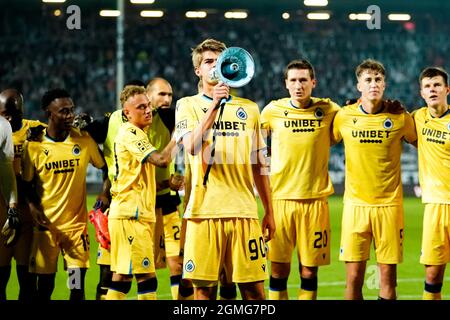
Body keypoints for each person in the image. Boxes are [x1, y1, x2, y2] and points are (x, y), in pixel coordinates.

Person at [175, 38, 275, 300]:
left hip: (244, 212)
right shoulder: (187, 105)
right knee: (204, 293)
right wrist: (213, 107)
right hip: (203, 213)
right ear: (198, 70)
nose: (215, 67)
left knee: (254, 292)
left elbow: (259, 165)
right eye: (208, 62)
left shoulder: (250, 109)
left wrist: (270, 211)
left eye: (220, 62)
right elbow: (192, 147)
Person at [332, 59, 417, 300]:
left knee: (388, 281)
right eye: (368, 80)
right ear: (358, 85)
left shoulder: (400, 117)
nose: (373, 84)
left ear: (385, 84)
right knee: (353, 280)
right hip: (355, 207)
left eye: (378, 80)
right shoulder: (344, 116)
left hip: (389, 207)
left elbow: (424, 144)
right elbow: (320, 139)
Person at [261, 60, 340, 300]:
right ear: (286, 84)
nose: (298, 85)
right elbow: (253, 144)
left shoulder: (328, 109)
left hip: (315, 201)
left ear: (313, 83)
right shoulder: (272, 110)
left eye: (303, 80)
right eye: (293, 80)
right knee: (278, 269)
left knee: (308, 270)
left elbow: (353, 118)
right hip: (280, 201)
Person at [22, 88, 107, 300]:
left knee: (76, 288)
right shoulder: (33, 146)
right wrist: (33, 208)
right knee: (45, 289)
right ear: (49, 114)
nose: (69, 115)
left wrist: (105, 193)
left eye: (71, 110)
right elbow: (26, 184)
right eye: (63, 111)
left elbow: (106, 168)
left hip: (76, 232)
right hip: (46, 230)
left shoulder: (83, 141)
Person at [105, 85, 177, 300]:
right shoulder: (130, 133)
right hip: (131, 216)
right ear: (127, 113)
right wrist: (179, 136)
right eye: (140, 107)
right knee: (146, 278)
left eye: (148, 106)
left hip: (135, 214)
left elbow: (138, 179)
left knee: (122, 278)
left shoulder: (140, 134)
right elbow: (162, 160)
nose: (148, 111)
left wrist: (168, 184)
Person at [146, 77, 191, 300]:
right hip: (142, 207)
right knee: (143, 270)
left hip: (168, 202)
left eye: (170, 95)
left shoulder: (170, 117)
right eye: (162, 94)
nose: (167, 99)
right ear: (148, 95)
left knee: (179, 264)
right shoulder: (129, 126)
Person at [0, 89, 45, 300]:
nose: (8, 118)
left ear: (22, 110)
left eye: (13, 112)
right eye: (3, 113)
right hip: (1, 216)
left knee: (27, 281)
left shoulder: (36, 130)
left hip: (27, 215)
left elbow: (61, 134)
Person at [412, 67, 450, 300]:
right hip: (435, 206)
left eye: (437, 85)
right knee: (433, 276)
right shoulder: (417, 117)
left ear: (447, 89)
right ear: (422, 93)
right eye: (428, 86)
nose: (432, 89)